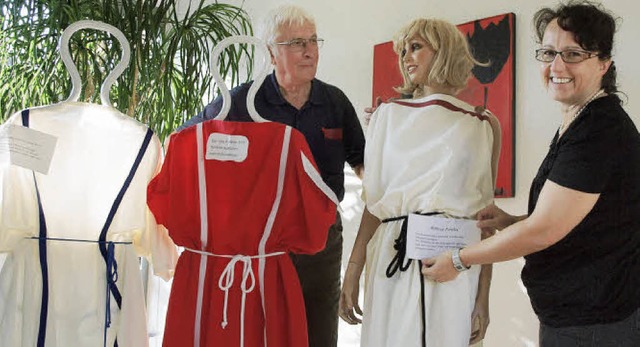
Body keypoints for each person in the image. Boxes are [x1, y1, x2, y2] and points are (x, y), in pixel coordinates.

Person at [423, 2, 640, 346]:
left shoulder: (599, 128)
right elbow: (577, 219)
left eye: (573, 53)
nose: (557, 66)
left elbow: (544, 230)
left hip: (594, 323)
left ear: (603, 63)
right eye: (549, 52)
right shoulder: (579, 120)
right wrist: (511, 221)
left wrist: (459, 260)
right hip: (574, 316)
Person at [181, 5, 365, 347]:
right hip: (260, 245)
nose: (310, 51)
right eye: (297, 42)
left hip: (321, 245)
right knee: (261, 333)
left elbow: (364, 163)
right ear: (270, 52)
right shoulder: (239, 102)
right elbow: (187, 144)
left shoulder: (334, 102)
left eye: (313, 40)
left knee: (317, 335)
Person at [339, 18, 501, 346]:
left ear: (443, 51)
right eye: (403, 50)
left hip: (455, 257)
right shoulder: (387, 116)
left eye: (416, 47)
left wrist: (483, 295)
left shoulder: (481, 123)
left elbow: (486, 217)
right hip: (393, 256)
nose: (406, 57)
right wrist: (354, 268)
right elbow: (374, 202)